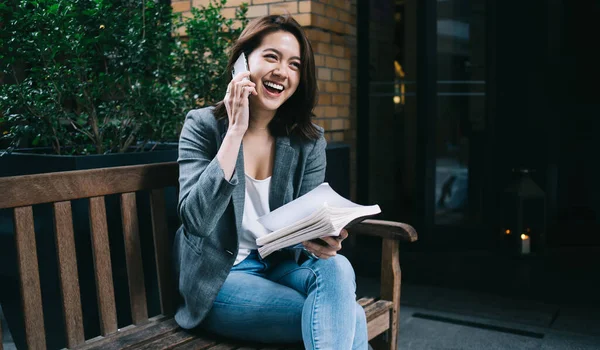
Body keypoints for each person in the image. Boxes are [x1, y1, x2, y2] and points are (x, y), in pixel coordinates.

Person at [173, 14, 368, 349]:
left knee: (338, 267)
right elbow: (197, 221)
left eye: (294, 64)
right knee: (352, 316)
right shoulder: (203, 126)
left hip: (280, 266)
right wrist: (234, 130)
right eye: (272, 57)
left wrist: (318, 238)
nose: (283, 71)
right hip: (222, 278)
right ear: (242, 63)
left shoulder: (308, 140)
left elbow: (305, 222)